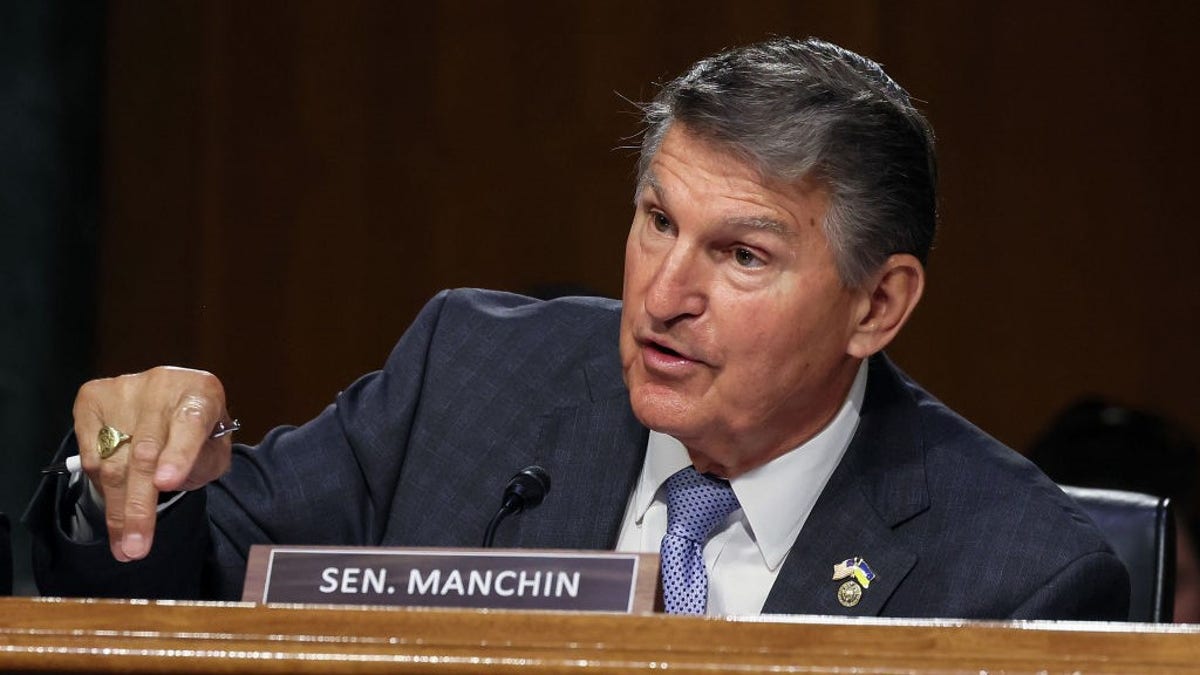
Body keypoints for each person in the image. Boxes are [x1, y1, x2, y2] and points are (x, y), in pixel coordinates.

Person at [26, 37, 1129, 619]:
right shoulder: (471, 377)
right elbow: (187, 585)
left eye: (741, 255)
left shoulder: (1018, 573)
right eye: (656, 220)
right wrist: (130, 472)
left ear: (877, 305)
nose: (663, 293)